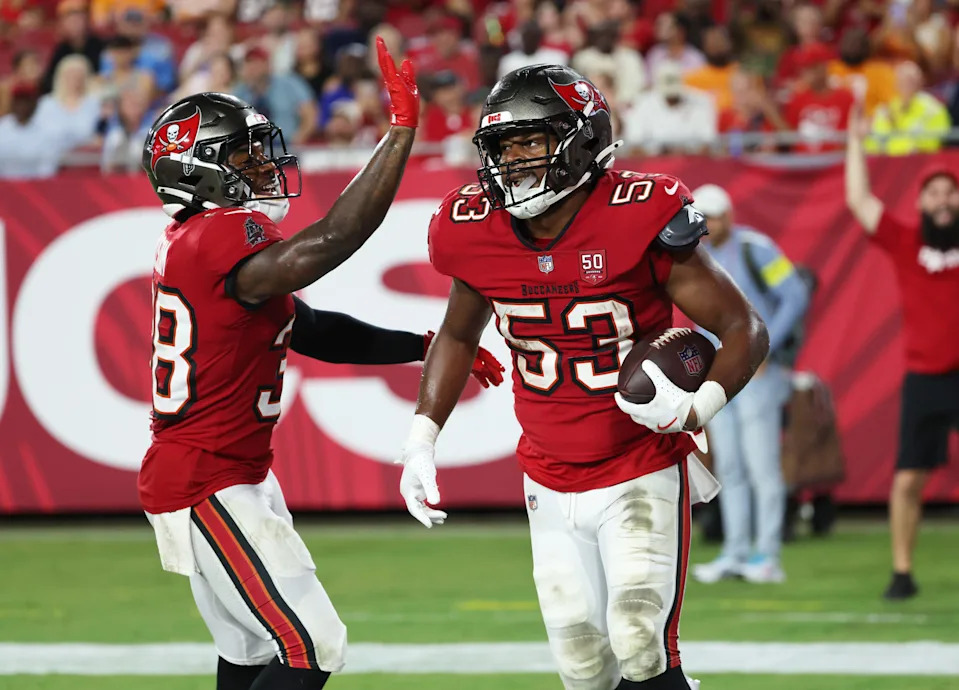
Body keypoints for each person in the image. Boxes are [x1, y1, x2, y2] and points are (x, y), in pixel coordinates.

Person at [138, 39, 502, 690]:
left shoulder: (197, 243)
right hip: (208, 480)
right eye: (244, 159)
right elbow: (335, 238)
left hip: (219, 471)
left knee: (251, 652)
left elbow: (312, 330)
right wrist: (398, 134)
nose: (262, 169)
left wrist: (424, 345)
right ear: (197, 170)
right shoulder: (217, 236)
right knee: (314, 646)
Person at [397, 64, 769, 690]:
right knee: (581, 664)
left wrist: (698, 408)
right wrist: (421, 439)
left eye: (531, 142)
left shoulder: (638, 212)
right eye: (503, 146)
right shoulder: (474, 226)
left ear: (581, 140)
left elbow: (744, 328)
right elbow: (458, 333)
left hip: (638, 460)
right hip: (546, 468)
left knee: (639, 640)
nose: (513, 161)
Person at [846, 97, 959, 601]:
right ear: (920, 202)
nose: (942, 200)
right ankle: (902, 571)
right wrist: (855, 141)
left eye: (949, 193)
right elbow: (860, 202)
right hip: (925, 378)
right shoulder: (907, 241)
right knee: (908, 479)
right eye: (933, 192)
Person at [689, 184, 810, 585]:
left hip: (758, 373)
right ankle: (736, 552)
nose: (710, 224)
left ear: (730, 215)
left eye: (716, 216)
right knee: (731, 467)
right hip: (719, 377)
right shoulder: (692, 254)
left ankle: (767, 554)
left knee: (762, 466)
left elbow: (794, 294)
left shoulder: (756, 248)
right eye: (703, 217)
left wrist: (764, 348)